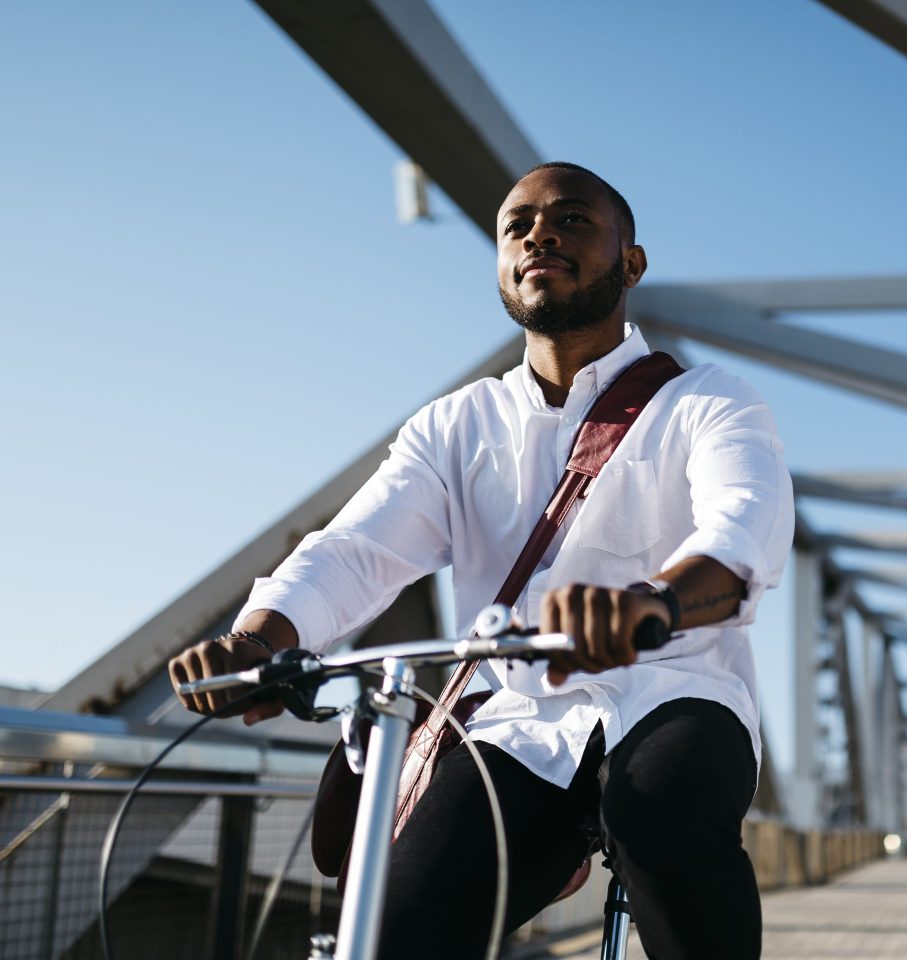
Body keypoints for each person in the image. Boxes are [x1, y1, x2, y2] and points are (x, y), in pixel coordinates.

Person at [168, 161, 793, 958]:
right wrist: (260, 639)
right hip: (519, 720)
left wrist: (653, 605)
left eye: (572, 219)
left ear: (632, 264)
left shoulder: (708, 400)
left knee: (658, 812)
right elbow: (357, 549)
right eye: (518, 225)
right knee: (399, 928)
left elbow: (742, 531)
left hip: (678, 693)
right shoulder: (455, 425)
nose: (540, 234)